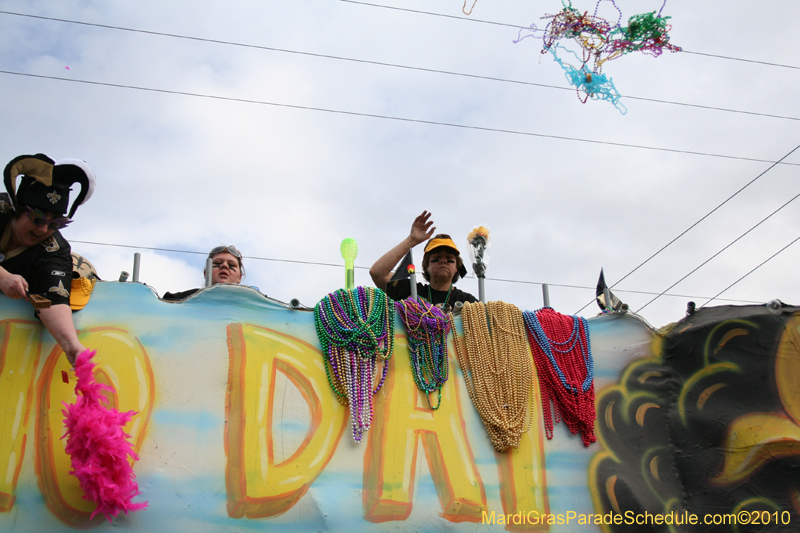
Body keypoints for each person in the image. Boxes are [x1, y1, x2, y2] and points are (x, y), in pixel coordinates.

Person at [0, 154, 96, 366]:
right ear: (18, 208)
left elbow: (53, 299)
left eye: (55, 224)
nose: (43, 230)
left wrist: (71, 345)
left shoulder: (55, 250)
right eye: (37, 218)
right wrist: (2, 276)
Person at [370, 211, 477, 308]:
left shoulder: (468, 302)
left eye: (449, 259)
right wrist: (411, 240)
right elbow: (377, 273)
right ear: (426, 266)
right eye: (436, 258)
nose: (443, 261)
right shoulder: (411, 290)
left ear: (457, 268)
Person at [162, 245, 245, 301]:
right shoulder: (179, 300)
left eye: (231, 265)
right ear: (206, 273)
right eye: (217, 263)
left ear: (240, 277)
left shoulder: (251, 306)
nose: (224, 266)